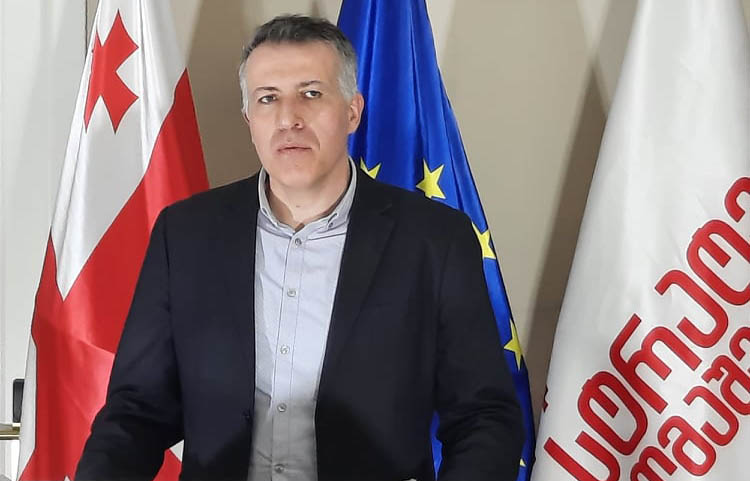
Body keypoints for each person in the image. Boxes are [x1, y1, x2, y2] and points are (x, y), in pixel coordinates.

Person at [76, 14, 523, 481]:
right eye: (268, 98)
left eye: (311, 94)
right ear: (250, 119)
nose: (288, 118)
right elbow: (138, 410)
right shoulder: (185, 235)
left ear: (352, 111)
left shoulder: (434, 241)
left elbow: (484, 416)